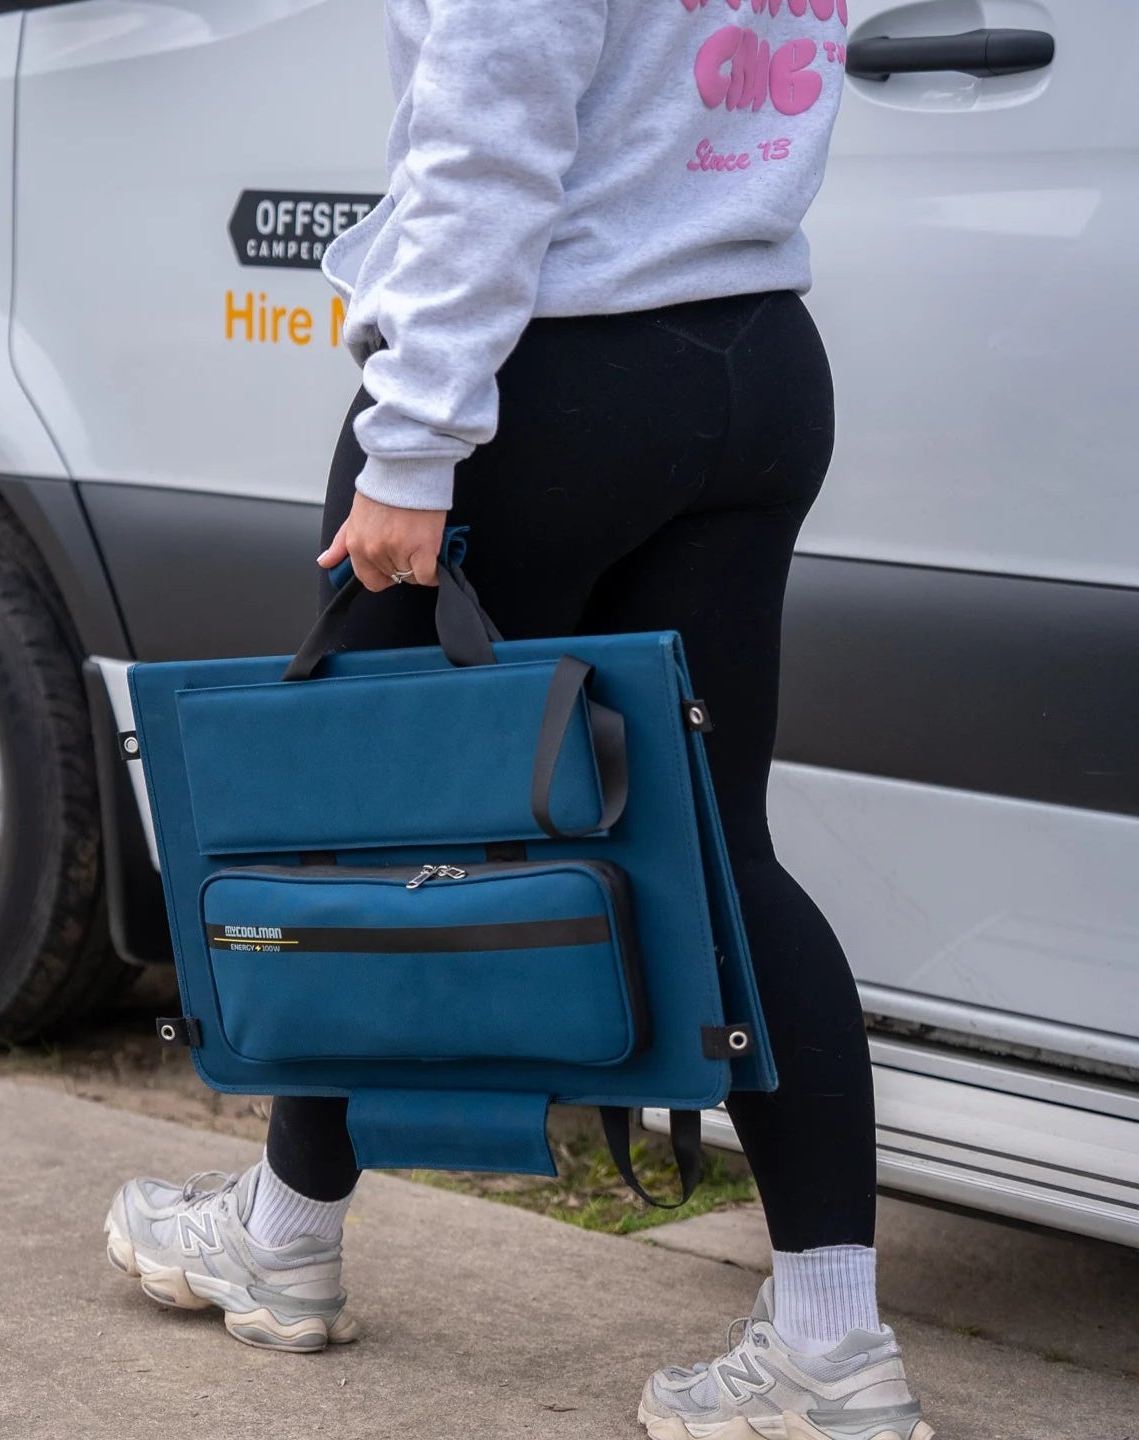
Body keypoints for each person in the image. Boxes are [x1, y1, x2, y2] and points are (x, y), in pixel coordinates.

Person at [104, 1, 934, 1436]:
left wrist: (412, 436)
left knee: (343, 824)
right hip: (751, 358)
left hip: (546, 376)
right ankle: (828, 1339)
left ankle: (286, 1239)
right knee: (725, 854)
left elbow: (488, 138)